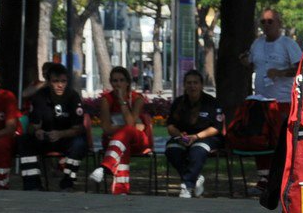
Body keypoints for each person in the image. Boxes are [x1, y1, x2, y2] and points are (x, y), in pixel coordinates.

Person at [19, 63, 88, 191]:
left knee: (79, 143)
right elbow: (33, 125)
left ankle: (67, 182)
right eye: (55, 81)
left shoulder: (73, 96)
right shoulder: (40, 96)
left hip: (66, 138)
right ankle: (32, 184)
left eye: (63, 81)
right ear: (48, 82)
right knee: (25, 141)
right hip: (46, 137)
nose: (60, 85)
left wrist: (60, 134)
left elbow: (78, 128)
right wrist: (37, 131)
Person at [89, 66, 152, 194]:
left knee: (127, 133)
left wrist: (122, 101)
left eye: (121, 80)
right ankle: (121, 190)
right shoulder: (106, 100)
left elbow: (129, 123)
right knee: (123, 142)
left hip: (137, 140)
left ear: (128, 82)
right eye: (115, 81)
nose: (118, 84)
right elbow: (106, 129)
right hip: (115, 143)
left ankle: (105, 166)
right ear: (111, 82)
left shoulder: (137, 98)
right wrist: (131, 128)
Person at [164, 70, 222, 198]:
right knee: (172, 150)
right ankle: (195, 177)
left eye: (195, 83)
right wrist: (180, 134)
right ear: (184, 85)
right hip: (183, 137)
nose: (192, 86)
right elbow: (170, 126)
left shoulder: (212, 102)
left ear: (201, 85)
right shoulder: (179, 103)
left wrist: (196, 137)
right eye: (189, 83)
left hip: (206, 137)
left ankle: (187, 186)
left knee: (197, 151)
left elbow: (216, 128)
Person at [244, 8, 302, 105]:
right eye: (263, 22)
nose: (266, 25)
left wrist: (280, 73)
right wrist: (245, 62)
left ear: (279, 23)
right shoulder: (257, 43)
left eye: (270, 21)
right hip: (260, 100)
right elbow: (252, 65)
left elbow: (301, 69)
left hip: (282, 102)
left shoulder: (288, 44)